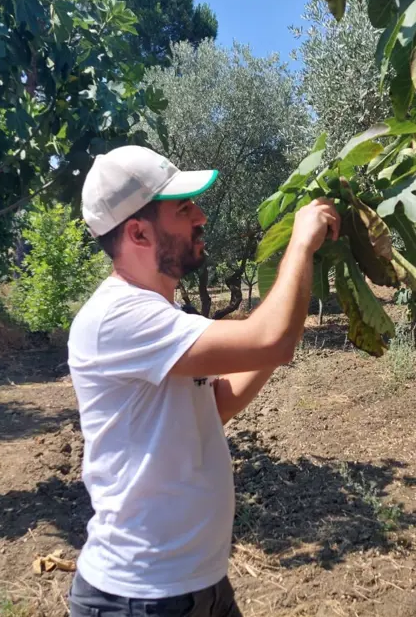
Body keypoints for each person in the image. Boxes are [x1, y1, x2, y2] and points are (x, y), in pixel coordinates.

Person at [67, 145, 341, 616]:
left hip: (196, 585)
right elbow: (271, 338)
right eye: (183, 208)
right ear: (137, 231)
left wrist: (270, 343)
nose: (202, 216)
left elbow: (215, 404)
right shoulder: (117, 316)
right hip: (140, 597)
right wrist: (299, 245)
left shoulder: (158, 311)